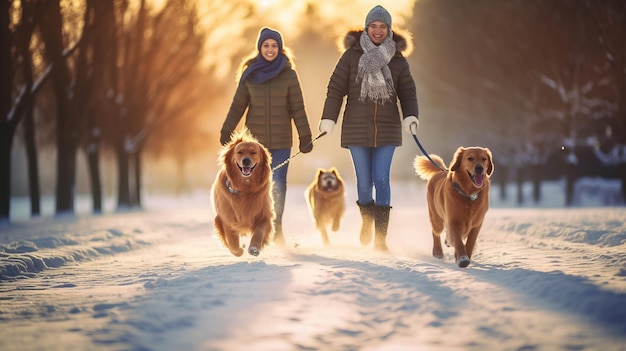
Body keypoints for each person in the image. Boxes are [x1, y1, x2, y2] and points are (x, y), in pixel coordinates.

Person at [318, 5, 419, 251]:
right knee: (364, 183)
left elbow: (407, 92)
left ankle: (381, 238)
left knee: (381, 179)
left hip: (388, 128)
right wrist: (328, 118)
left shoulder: (397, 59)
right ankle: (366, 221)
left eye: (382, 26)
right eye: (373, 26)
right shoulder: (351, 56)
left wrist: (411, 116)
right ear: (366, 28)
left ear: (389, 29)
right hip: (355, 128)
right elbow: (335, 89)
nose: (377, 31)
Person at [220, 27, 313, 246]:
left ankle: (275, 227)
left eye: (274, 46)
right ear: (259, 48)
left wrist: (305, 134)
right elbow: (237, 106)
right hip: (254, 146)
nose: (270, 50)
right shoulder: (250, 74)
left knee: (278, 184)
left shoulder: (289, 74)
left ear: (280, 48)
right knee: (252, 186)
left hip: (281, 142)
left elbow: (297, 107)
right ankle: (253, 225)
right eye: (266, 45)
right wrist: (227, 129)